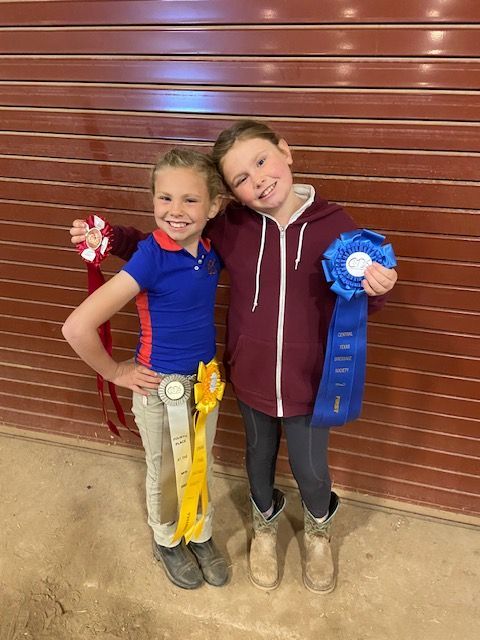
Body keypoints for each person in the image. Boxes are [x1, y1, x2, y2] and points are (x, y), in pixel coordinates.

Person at [69, 120, 398, 594]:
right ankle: (263, 524)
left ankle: (318, 531)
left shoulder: (337, 226)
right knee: (255, 458)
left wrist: (378, 288)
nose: (257, 179)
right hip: (247, 376)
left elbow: (361, 296)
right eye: (241, 177)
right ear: (230, 196)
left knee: (311, 469)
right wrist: (109, 237)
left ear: (285, 151)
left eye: (261, 161)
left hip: (309, 380)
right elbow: (165, 243)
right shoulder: (231, 227)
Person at [63, 149, 229, 590]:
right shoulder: (149, 257)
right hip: (159, 389)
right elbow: (76, 327)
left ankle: (200, 532)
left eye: (190, 200)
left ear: (214, 206)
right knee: (165, 470)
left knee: (201, 461)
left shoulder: (210, 250)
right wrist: (115, 372)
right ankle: (167, 539)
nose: (176, 210)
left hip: (205, 385)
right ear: (153, 199)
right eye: (165, 198)